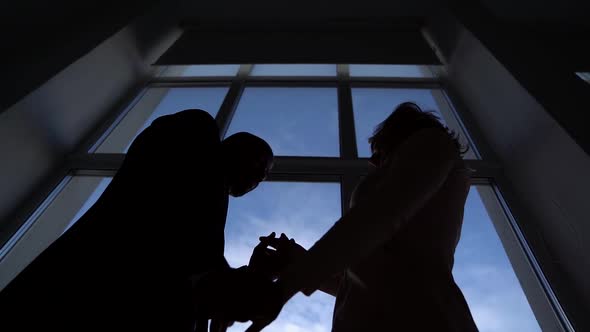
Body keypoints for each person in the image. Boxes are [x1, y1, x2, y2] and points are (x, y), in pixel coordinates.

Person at [0, 109, 274, 332]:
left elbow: (199, 282)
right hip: (71, 296)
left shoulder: (208, 215)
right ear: (232, 147)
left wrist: (246, 280)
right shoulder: (197, 133)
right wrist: (238, 280)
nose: (261, 176)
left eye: (265, 175)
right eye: (261, 163)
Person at [250, 102, 479, 332]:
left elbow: (378, 216)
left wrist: (286, 287)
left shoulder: (432, 143)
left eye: (379, 153)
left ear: (397, 136)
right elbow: (363, 282)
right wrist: (297, 264)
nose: (372, 162)